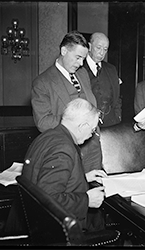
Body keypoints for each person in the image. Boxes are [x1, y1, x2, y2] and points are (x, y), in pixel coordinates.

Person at [21, 98, 107, 232]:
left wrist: (82, 177)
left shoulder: (48, 135)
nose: (92, 135)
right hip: (51, 230)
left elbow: (46, 176)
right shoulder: (63, 148)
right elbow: (48, 198)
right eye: (92, 130)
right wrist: (87, 200)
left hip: (30, 218)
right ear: (82, 126)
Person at [31, 30, 102, 173]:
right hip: (65, 152)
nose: (81, 63)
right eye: (77, 57)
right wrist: (75, 123)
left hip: (93, 150)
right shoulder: (42, 82)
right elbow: (43, 122)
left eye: (83, 58)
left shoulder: (82, 74)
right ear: (64, 51)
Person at [83, 32, 122, 127]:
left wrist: (118, 117)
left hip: (111, 123)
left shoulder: (111, 69)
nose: (102, 53)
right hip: (87, 124)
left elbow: (117, 97)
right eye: (98, 48)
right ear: (89, 46)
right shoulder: (79, 68)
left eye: (105, 49)